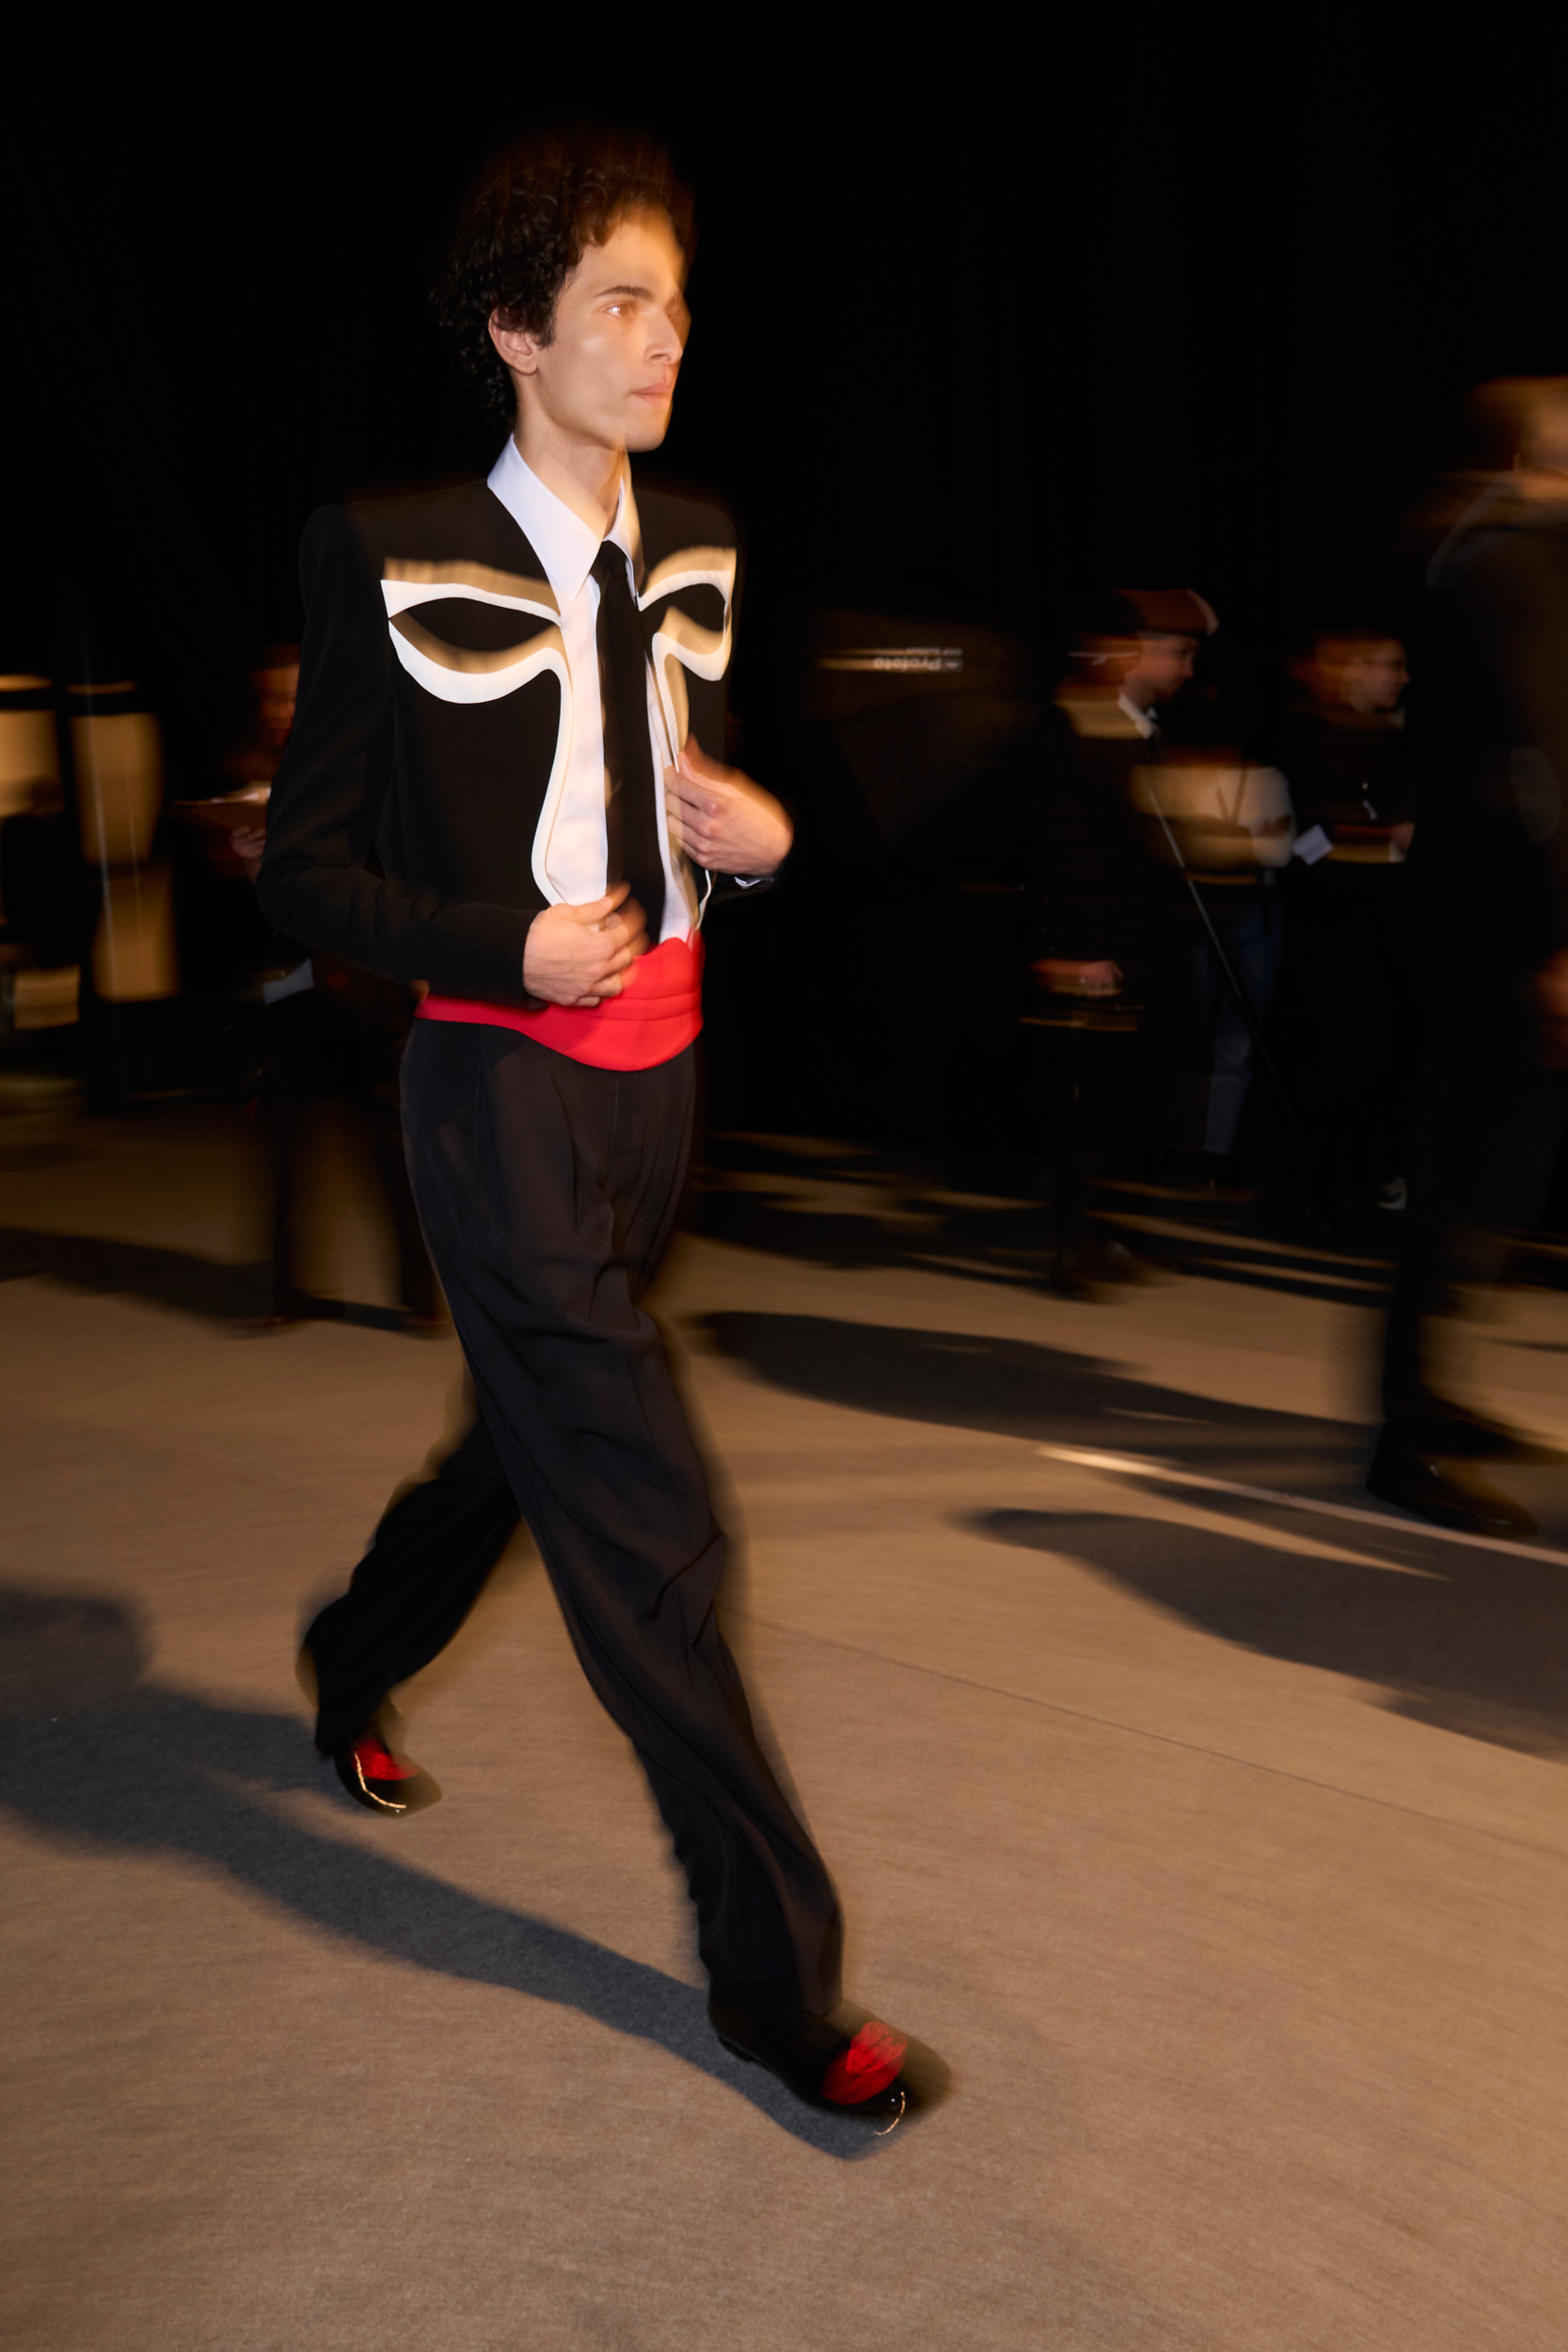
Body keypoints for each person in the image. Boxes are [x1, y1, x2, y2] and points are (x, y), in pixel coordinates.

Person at [257, 128, 936, 2125]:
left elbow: (699, 776)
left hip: (668, 1082)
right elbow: (303, 872)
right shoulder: (381, 546)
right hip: (492, 1085)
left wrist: (768, 834)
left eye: (673, 301)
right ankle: (774, 1980)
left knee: (524, 1439)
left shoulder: (706, 534)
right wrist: (495, 941)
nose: (661, 340)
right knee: (655, 1528)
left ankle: (347, 1646)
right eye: (616, 305)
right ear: (515, 333)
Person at [1370, 380, 1568, 1535]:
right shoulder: (1516, 561)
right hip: (1508, 920)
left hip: (1464, 902)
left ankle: (1429, 1397)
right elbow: (1545, 754)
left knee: (1481, 1171)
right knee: (1476, 1176)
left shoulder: (1453, 546)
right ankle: (1407, 1437)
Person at [1274, 628, 1418, 1225]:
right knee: (1330, 1066)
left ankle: (1353, 1182)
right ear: (1351, 670)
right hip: (1331, 932)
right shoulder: (1305, 741)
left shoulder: (1390, 742)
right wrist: (1379, 841)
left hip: (1377, 929)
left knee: (1372, 1066)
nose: (1401, 678)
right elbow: (1295, 842)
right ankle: (1308, 1190)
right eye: (1390, 665)